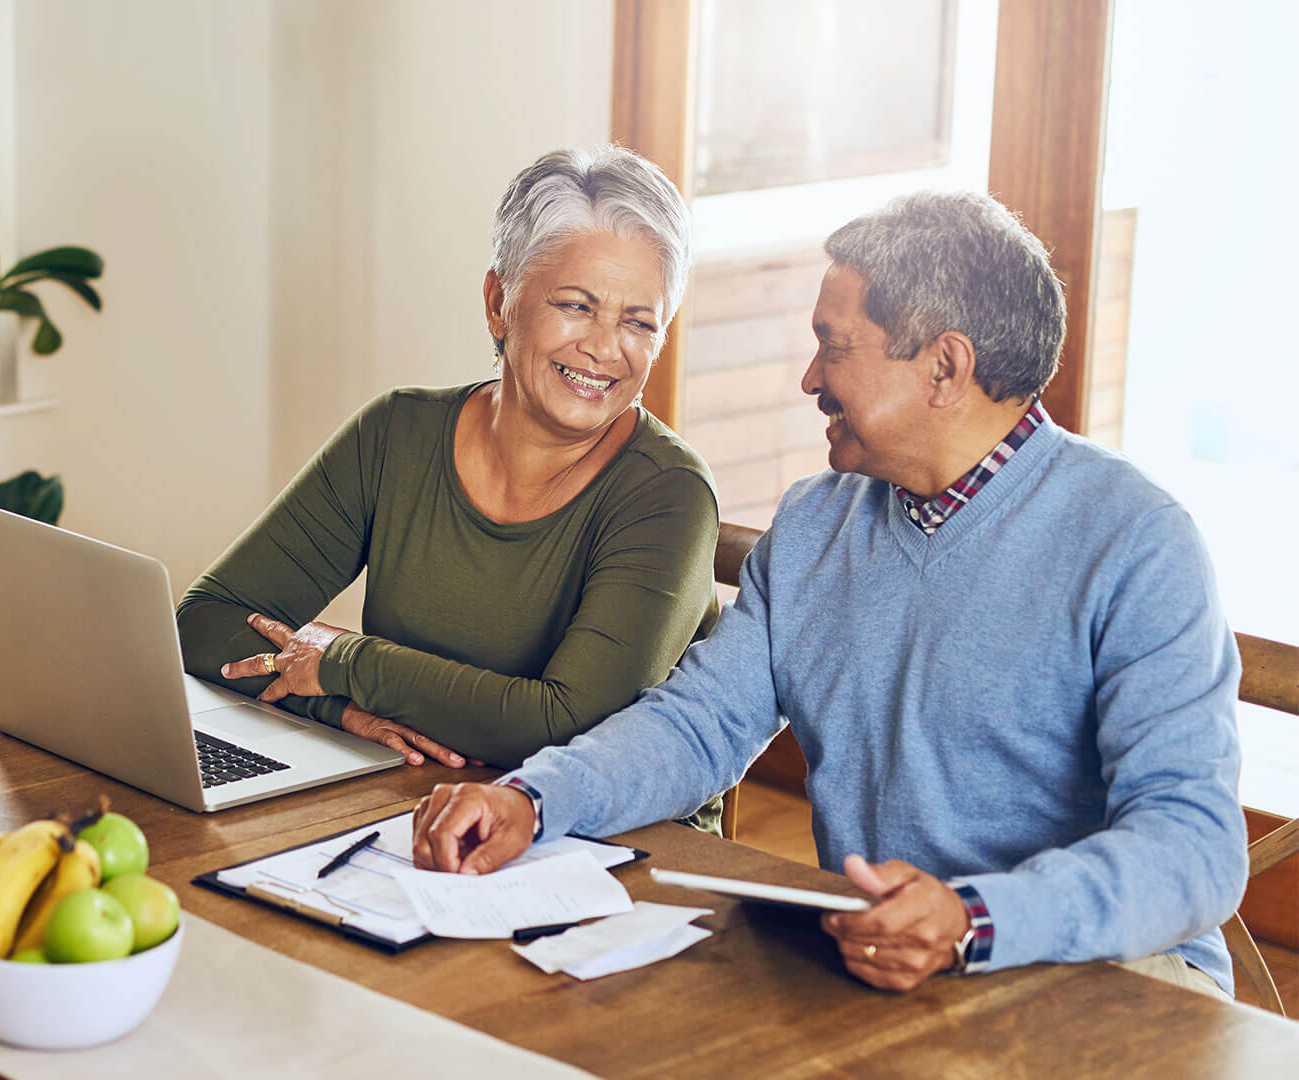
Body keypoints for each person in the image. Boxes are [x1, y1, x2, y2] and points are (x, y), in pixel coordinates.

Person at [410, 191, 1248, 999]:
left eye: (833, 345)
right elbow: (697, 724)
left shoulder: (1136, 541)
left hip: (1107, 980)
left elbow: (1195, 850)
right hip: (887, 967)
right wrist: (533, 797)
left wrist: (971, 921)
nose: (809, 377)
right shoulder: (816, 523)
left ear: (945, 367)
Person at [176, 147, 724, 830]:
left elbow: (572, 725)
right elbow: (205, 622)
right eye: (576, 306)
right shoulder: (396, 434)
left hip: (611, 845)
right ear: (499, 302)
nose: (606, 347)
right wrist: (334, 704)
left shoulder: (669, 494)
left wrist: (348, 663)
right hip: (415, 806)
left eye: (639, 321)